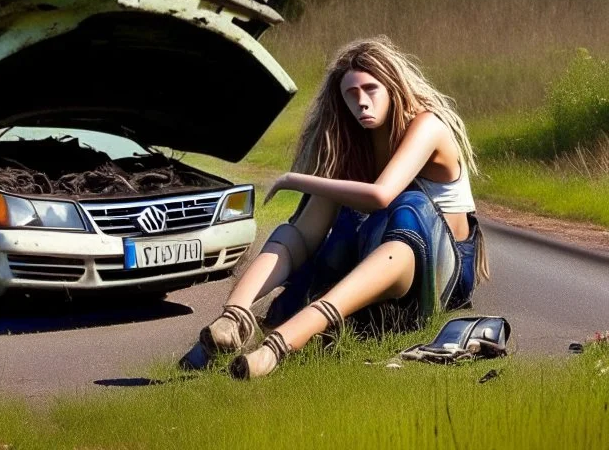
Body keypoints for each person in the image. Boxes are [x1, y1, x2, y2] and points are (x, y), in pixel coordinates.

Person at [179, 35, 487, 379]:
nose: (362, 103)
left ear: (392, 86)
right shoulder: (355, 143)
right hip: (380, 263)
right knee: (325, 200)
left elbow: (381, 195)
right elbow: (315, 227)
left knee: (409, 206)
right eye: (351, 95)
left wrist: (294, 180)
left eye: (371, 90)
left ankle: (279, 345)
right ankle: (233, 318)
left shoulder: (427, 125)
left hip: (442, 272)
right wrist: (322, 183)